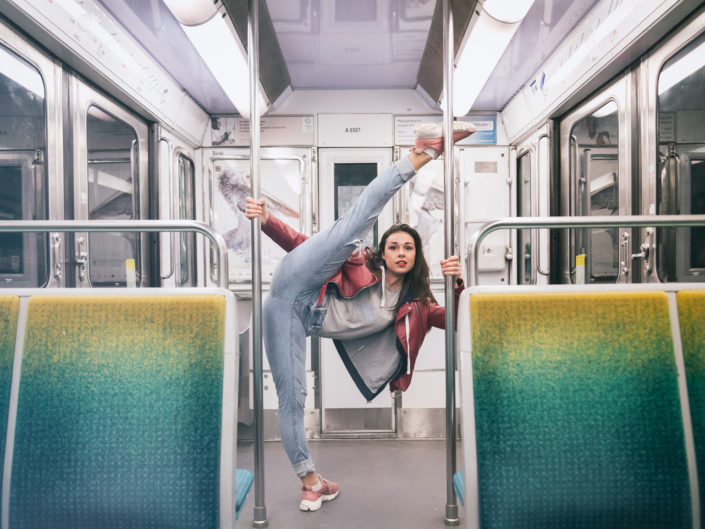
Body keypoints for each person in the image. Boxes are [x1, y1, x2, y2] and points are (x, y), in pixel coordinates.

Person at [244, 121, 474, 512]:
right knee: (356, 222)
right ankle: (424, 152)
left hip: (294, 317)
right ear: (383, 253)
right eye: (394, 246)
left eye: (409, 249)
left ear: (416, 258)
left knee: (293, 399)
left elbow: (450, 320)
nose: (401, 252)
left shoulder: (414, 304)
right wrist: (267, 221)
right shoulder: (356, 260)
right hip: (298, 283)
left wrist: (456, 285)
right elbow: (304, 245)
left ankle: (312, 483)